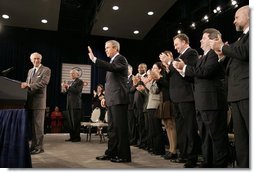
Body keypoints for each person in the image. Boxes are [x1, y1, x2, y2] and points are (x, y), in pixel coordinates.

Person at [173, 28, 229, 167]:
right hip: (201, 102)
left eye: (203, 38)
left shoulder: (215, 54)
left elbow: (206, 72)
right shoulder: (203, 57)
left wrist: (185, 68)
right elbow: (197, 77)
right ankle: (208, 161)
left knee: (216, 137)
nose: (200, 40)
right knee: (205, 136)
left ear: (212, 40)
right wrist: (182, 70)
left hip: (212, 102)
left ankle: (219, 165)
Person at [210, 5, 249, 168]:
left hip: (247, 93)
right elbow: (231, 65)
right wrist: (222, 55)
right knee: (241, 140)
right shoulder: (240, 40)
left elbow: (244, 53)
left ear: (249, 16)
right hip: (236, 94)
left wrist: (223, 47)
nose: (234, 21)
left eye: (236, 17)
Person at [88, 40, 131, 163]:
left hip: (119, 100)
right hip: (112, 99)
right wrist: (106, 98)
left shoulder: (121, 59)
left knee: (120, 129)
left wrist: (95, 59)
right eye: (105, 48)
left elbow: (112, 68)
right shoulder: (113, 61)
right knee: (112, 128)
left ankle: (124, 156)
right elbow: (110, 84)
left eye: (107, 47)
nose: (105, 50)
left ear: (115, 48)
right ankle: (111, 153)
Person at [169, 33, 200, 168]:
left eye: (177, 44)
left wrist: (176, 66)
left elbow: (190, 71)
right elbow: (171, 68)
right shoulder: (179, 57)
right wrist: (173, 65)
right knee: (181, 128)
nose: (175, 47)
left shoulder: (192, 53)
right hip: (177, 97)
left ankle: (192, 157)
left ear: (184, 42)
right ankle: (183, 154)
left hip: (187, 96)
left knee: (189, 128)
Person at [21, 52, 51, 154]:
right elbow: (27, 83)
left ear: (41, 60)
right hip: (29, 102)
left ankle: (39, 148)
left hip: (39, 103)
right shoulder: (30, 71)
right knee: (32, 127)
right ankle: (33, 146)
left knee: (38, 127)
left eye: (38, 59)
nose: (36, 61)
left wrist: (28, 86)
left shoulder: (46, 70)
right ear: (31, 60)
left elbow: (43, 83)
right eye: (34, 59)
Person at [62, 69, 84, 142]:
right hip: (69, 105)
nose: (71, 75)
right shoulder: (72, 83)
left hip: (76, 105)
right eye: (70, 74)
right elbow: (66, 93)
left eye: (73, 73)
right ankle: (72, 137)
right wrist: (65, 88)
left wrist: (68, 87)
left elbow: (77, 91)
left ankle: (77, 137)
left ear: (77, 74)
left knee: (76, 122)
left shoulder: (80, 82)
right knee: (70, 122)